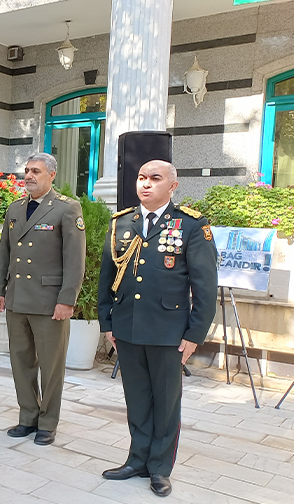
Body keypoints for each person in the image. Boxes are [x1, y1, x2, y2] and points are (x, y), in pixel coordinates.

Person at [98, 160, 217, 498]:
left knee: (166, 404)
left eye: (155, 178)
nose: (146, 184)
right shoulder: (122, 223)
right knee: (136, 399)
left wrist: (194, 335)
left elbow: (205, 288)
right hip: (128, 328)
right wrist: (108, 323)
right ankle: (137, 459)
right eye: (141, 178)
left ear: (172, 186)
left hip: (169, 332)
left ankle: (160, 468)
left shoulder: (192, 225)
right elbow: (108, 279)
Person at [0, 152, 85, 446]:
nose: (28, 176)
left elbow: (74, 260)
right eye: (27, 171)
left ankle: (47, 422)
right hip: (18, 299)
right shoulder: (15, 208)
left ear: (51, 175)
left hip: (49, 301)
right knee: (21, 362)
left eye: (36, 171)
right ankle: (28, 416)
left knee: (51, 365)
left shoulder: (67, 208)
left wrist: (67, 300)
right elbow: (4, 252)